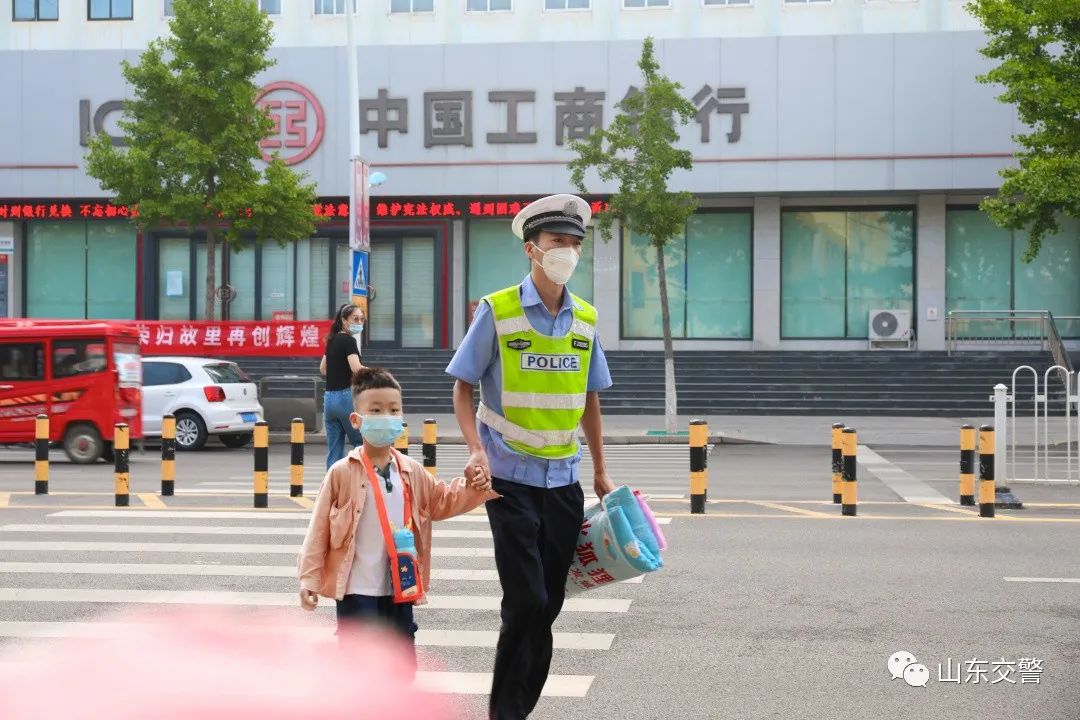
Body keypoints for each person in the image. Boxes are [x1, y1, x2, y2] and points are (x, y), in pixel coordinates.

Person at [445, 194, 615, 720]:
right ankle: (507, 713)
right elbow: (462, 385)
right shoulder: (498, 310)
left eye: (574, 244)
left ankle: (517, 706)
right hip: (509, 481)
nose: (567, 251)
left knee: (549, 605)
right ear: (532, 250)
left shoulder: (584, 319)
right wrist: (476, 450)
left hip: (564, 482)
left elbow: (590, 397)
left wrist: (602, 471)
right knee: (527, 602)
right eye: (557, 242)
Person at [297, 367, 498, 670]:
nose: (386, 416)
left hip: (400, 588)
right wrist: (309, 579)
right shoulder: (341, 473)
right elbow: (319, 530)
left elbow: (441, 501)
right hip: (356, 592)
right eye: (375, 410)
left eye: (393, 410)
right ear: (356, 420)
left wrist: (474, 487)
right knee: (359, 668)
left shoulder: (411, 471)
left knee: (401, 666)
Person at [320, 303, 366, 468]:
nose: (359, 322)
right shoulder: (348, 341)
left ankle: (332, 489)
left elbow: (323, 369)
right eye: (355, 319)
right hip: (346, 398)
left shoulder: (332, 340)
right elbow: (356, 368)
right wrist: (377, 374)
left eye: (362, 319)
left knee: (334, 448)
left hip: (329, 400)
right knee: (360, 443)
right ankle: (362, 484)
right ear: (344, 320)